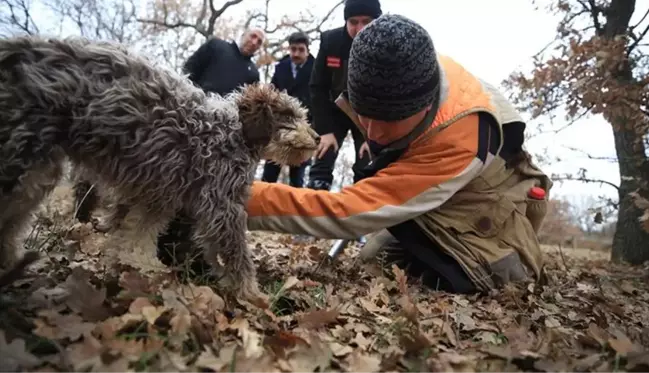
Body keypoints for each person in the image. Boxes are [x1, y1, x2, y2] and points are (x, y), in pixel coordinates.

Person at [245, 14, 554, 294]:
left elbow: (350, 213)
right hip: (449, 175)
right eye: (363, 114)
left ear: (425, 108)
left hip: (484, 205)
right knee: (373, 257)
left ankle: (506, 256)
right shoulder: (406, 63)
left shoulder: (458, 141)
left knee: (465, 274)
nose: (373, 133)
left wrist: (239, 195)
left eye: (387, 122)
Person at [306, 0, 382, 191]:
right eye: (353, 22)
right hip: (334, 111)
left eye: (366, 21)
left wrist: (375, 137)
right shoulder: (330, 41)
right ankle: (315, 201)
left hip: (368, 114)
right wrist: (324, 130)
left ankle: (363, 208)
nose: (360, 28)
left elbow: (388, 94)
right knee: (324, 153)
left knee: (369, 162)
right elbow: (317, 86)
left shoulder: (387, 44)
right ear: (346, 21)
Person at [262, 32, 316, 187]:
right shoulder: (281, 67)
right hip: (280, 128)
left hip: (305, 127)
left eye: (301, 50)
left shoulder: (317, 68)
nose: (296, 54)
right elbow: (272, 92)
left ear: (307, 50)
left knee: (297, 176)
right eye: (293, 49)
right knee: (270, 171)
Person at [182, 28, 265, 96]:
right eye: (253, 36)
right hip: (197, 105)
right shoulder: (216, 45)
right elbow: (189, 69)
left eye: (259, 42)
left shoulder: (254, 74)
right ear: (244, 34)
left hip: (229, 114)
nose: (254, 42)